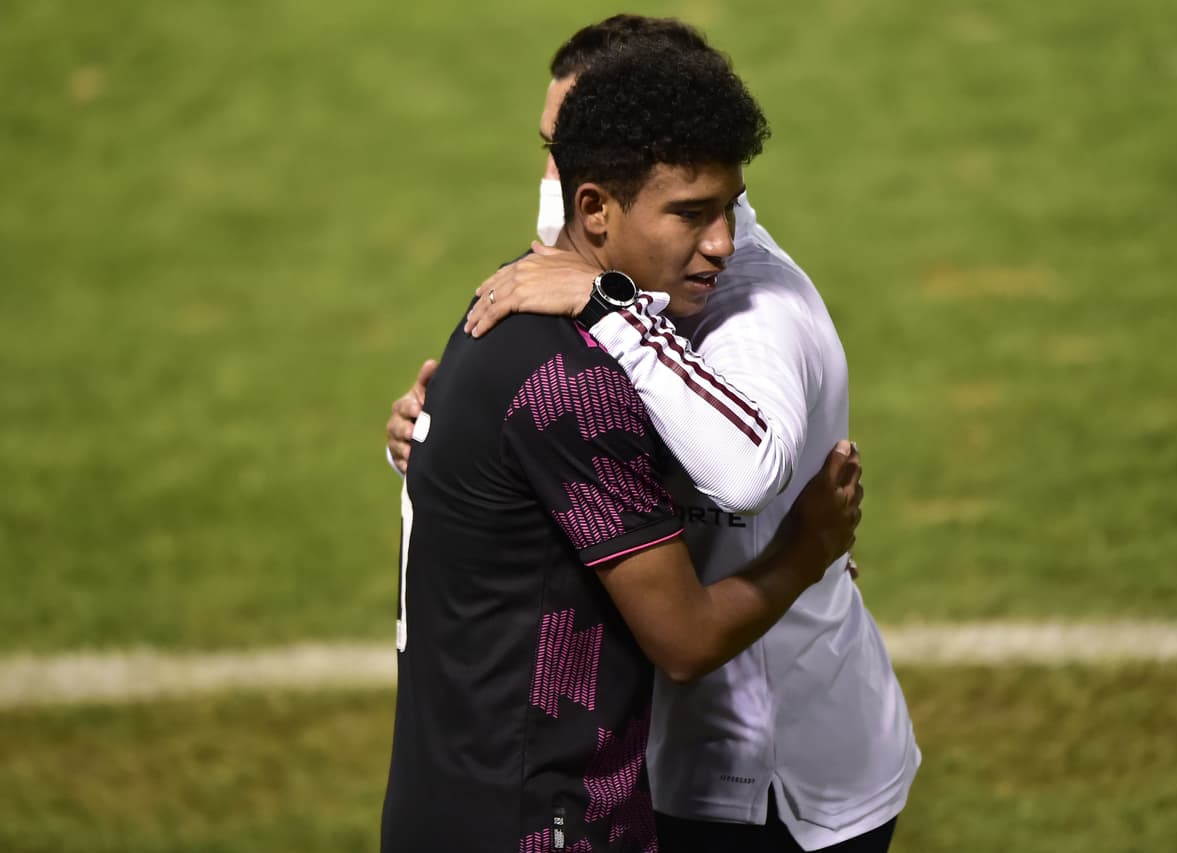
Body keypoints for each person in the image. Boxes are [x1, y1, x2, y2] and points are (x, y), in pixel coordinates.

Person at [388, 16, 921, 853]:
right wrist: (446, 441)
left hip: (776, 782)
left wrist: (807, 545)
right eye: (553, 148)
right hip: (594, 780)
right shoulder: (562, 299)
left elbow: (741, 473)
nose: (553, 181)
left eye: (721, 209)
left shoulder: (747, 311)